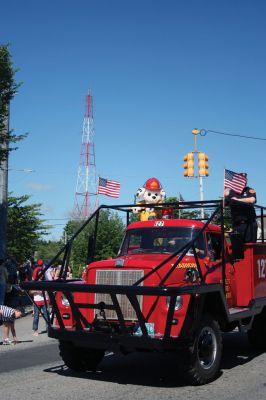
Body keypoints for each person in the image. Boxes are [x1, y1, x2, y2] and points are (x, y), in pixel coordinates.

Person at [31, 260, 49, 336]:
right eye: (40, 274)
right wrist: (38, 291)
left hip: (45, 300)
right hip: (37, 300)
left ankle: (49, 329)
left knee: (46, 315)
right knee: (36, 316)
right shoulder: (34, 282)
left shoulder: (45, 281)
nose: (41, 275)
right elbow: (30, 292)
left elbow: (48, 290)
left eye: (42, 274)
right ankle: (35, 330)